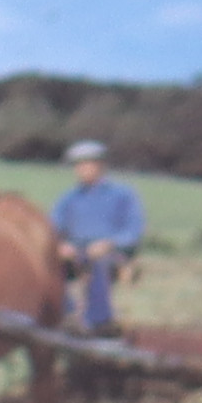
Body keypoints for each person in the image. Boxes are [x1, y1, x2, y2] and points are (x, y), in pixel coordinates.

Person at [49, 139, 138, 340]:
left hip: (113, 254)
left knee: (99, 262)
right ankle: (67, 317)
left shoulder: (123, 195)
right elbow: (53, 227)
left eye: (87, 164)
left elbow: (132, 230)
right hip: (77, 252)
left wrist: (109, 243)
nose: (82, 169)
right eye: (78, 165)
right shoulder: (68, 199)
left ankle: (98, 323)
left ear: (100, 166)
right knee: (50, 266)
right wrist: (61, 245)